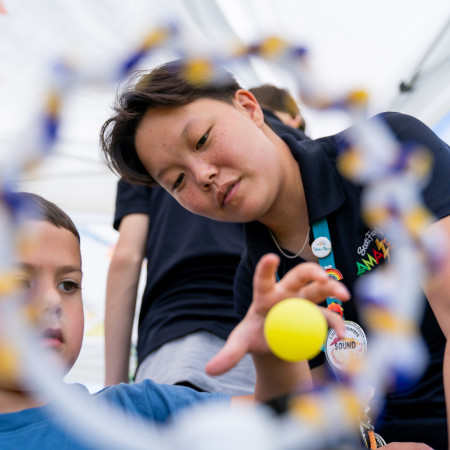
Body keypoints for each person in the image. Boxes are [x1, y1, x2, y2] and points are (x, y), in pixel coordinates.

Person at [99, 59, 450, 450]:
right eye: (177, 181)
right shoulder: (256, 287)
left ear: (249, 108)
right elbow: (318, 423)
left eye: (202, 140)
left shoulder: (382, 151)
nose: (202, 175)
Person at [0, 191, 353, 450]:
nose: (51, 301)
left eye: (68, 285)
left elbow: (277, 424)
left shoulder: (132, 409)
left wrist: (275, 354)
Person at [104, 178, 255, 395]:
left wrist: (113, 387)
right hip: (265, 340)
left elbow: (127, 258)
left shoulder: (142, 163)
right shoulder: (289, 150)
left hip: (173, 343)